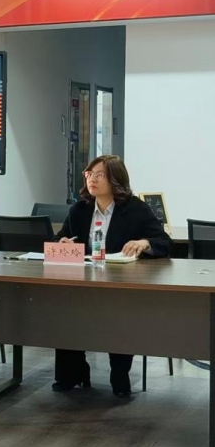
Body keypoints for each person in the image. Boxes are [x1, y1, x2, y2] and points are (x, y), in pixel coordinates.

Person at [53, 155, 170, 398]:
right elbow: (59, 239)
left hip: (120, 286)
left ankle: (119, 375)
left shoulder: (135, 209)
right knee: (64, 310)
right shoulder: (80, 210)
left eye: (100, 175)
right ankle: (72, 374)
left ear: (115, 180)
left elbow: (164, 242)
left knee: (119, 318)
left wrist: (144, 242)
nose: (92, 179)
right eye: (89, 174)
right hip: (82, 283)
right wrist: (62, 242)